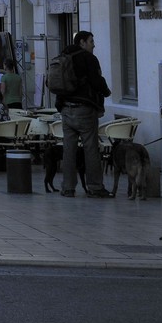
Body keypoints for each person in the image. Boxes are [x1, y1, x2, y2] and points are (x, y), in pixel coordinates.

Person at [54, 30, 113, 198]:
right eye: (91, 41)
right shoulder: (89, 59)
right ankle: (95, 187)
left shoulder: (63, 56)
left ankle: (68, 187)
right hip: (85, 109)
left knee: (69, 150)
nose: (93, 45)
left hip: (66, 109)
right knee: (91, 148)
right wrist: (106, 91)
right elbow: (96, 81)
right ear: (82, 42)